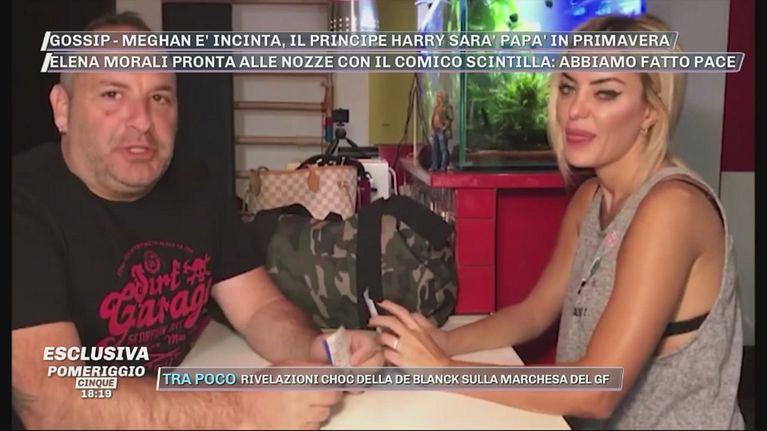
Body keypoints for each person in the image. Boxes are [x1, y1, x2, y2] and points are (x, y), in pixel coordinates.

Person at [369, 14, 745, 430]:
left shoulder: (672, 208)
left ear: (650, 112)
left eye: (605, 93)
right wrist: (441, 342)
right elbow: (532, 315)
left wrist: (444, 370)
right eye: (567, 88)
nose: (575, 110)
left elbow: (597, 391)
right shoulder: (590, 199)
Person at [12, 11, 381, 429]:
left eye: (159, 98)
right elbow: (53, 401)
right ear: (62, 109)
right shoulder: (22, 205)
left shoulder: (195, 186)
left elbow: (258, 308)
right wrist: (244, 410)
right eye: (112, 94)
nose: (141, 121)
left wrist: (313, 349)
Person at [430, 91, 454, 171]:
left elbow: (450, 118)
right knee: (434, 149)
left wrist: (445, 127)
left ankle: (443, 166)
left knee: (443, 148)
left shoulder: (447, 107)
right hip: (435, 130)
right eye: (437, 97)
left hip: (442, 130)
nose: (437, 99)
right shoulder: (436, 107)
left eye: (439, 97)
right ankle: (434, 165)